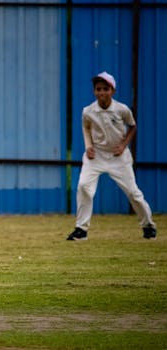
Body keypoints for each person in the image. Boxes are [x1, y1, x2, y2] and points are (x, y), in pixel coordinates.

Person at [67, 71, 157, 241]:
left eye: (105, 89)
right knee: (84, 187)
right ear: (94, 91)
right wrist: (88, 147)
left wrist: (123, 145)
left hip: (119, 156)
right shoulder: (88, 111)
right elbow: (86, 128)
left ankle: (148, 226)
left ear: (113, 90)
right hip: (96, 156)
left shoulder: (122, 109)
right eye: (98, 89)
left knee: (133, 192)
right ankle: (81, 230)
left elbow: (132, 126)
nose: (101, 93)